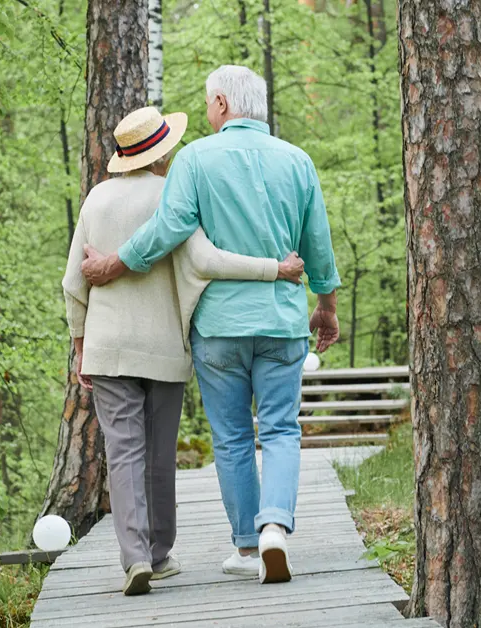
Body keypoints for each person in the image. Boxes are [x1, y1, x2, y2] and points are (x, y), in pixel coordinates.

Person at [81, 65, 341, 585]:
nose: (205, 112)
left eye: (207, 103)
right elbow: (317, 246)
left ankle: (246, 546)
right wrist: (326, 306)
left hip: (219, 326)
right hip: (282, 322)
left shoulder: (196, 158)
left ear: (221, 104)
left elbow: (170, 229)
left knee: (231, 438)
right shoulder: (298, 161)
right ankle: (274, 529)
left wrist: (115, 264)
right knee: (282, 429)